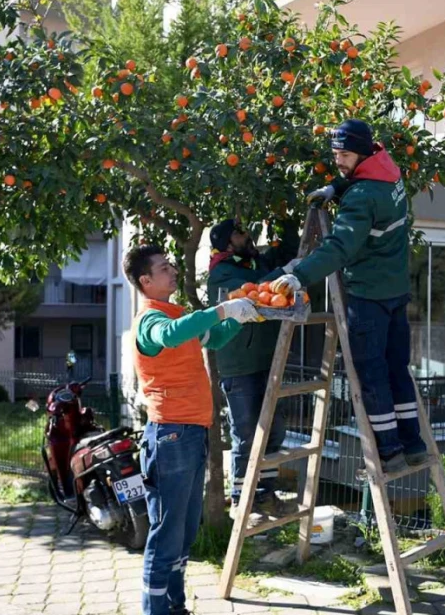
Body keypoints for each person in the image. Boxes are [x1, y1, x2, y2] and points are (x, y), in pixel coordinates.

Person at [273, 119, 426, 473]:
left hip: (368, 296)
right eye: (335, 154)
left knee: (371, 375)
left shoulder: (361, 198)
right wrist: (335, 187)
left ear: (360, 151)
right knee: (397, 369)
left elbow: (340, 246)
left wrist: (300, 275)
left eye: (343, 154)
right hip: (396, 290)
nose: (338, 160)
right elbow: (363, 182)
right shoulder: (390, 172)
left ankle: (388, 450)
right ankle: (413, 443)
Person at [124, 244, 260, 615]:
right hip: (170, 436)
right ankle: (155, 609)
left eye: (171, 264)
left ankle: (175, 604)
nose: (172, 271)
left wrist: (243, 317)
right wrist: (221, 309)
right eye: (164, 267)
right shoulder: (150, 321)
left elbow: (211, 338)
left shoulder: (175, 314)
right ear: (145, 281)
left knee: (184, 532)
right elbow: (170, 335)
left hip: (191, 433)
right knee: (167, 532)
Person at [206, 218, 300, 518]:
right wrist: (284, 273)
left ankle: (264, 495)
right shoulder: (222, 273)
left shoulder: (254, 263)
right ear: (226, 243)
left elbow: (286, 249)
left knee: (274, 430)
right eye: (239, 233)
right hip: (240, 365)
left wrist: (283, 214)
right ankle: (240, 499)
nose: (247, 236)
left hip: (268, 359)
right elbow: (253, 293)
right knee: (247, 433)